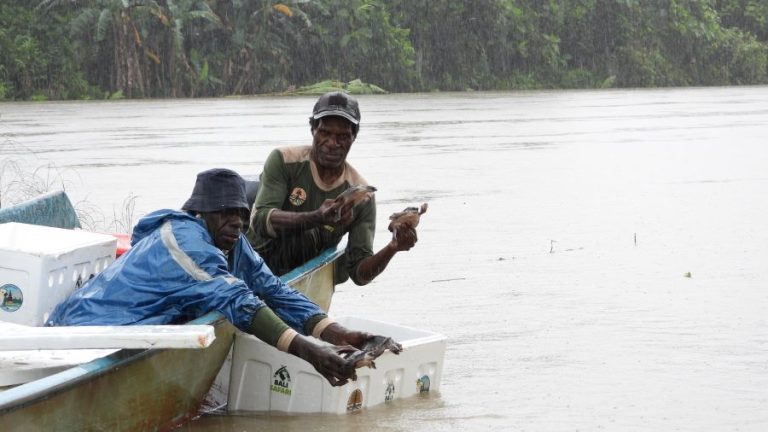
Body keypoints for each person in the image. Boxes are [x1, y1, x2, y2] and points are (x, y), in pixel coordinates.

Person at [46, 168, 401, 386]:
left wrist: (346, 335)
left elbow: (273, 291)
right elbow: (239, 303)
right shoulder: (185, 243)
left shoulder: (230, 240)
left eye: (243, 214)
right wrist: (314, 355)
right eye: (227, 213)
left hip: (127, 329)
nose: (238, 222)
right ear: (201, 212)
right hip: (83, 332)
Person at [246, 91, 418, 284]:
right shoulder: (284, 161)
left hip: (300, 272)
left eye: (342, 136)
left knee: (314, 241)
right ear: (313, 130)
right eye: (325, 133)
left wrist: (393, 248)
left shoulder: (362, 196)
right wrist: (316, 218)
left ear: (354, 137)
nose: (332, 143)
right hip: (256, 261)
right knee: (306, 234)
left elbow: (360, 275)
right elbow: (260, 220)